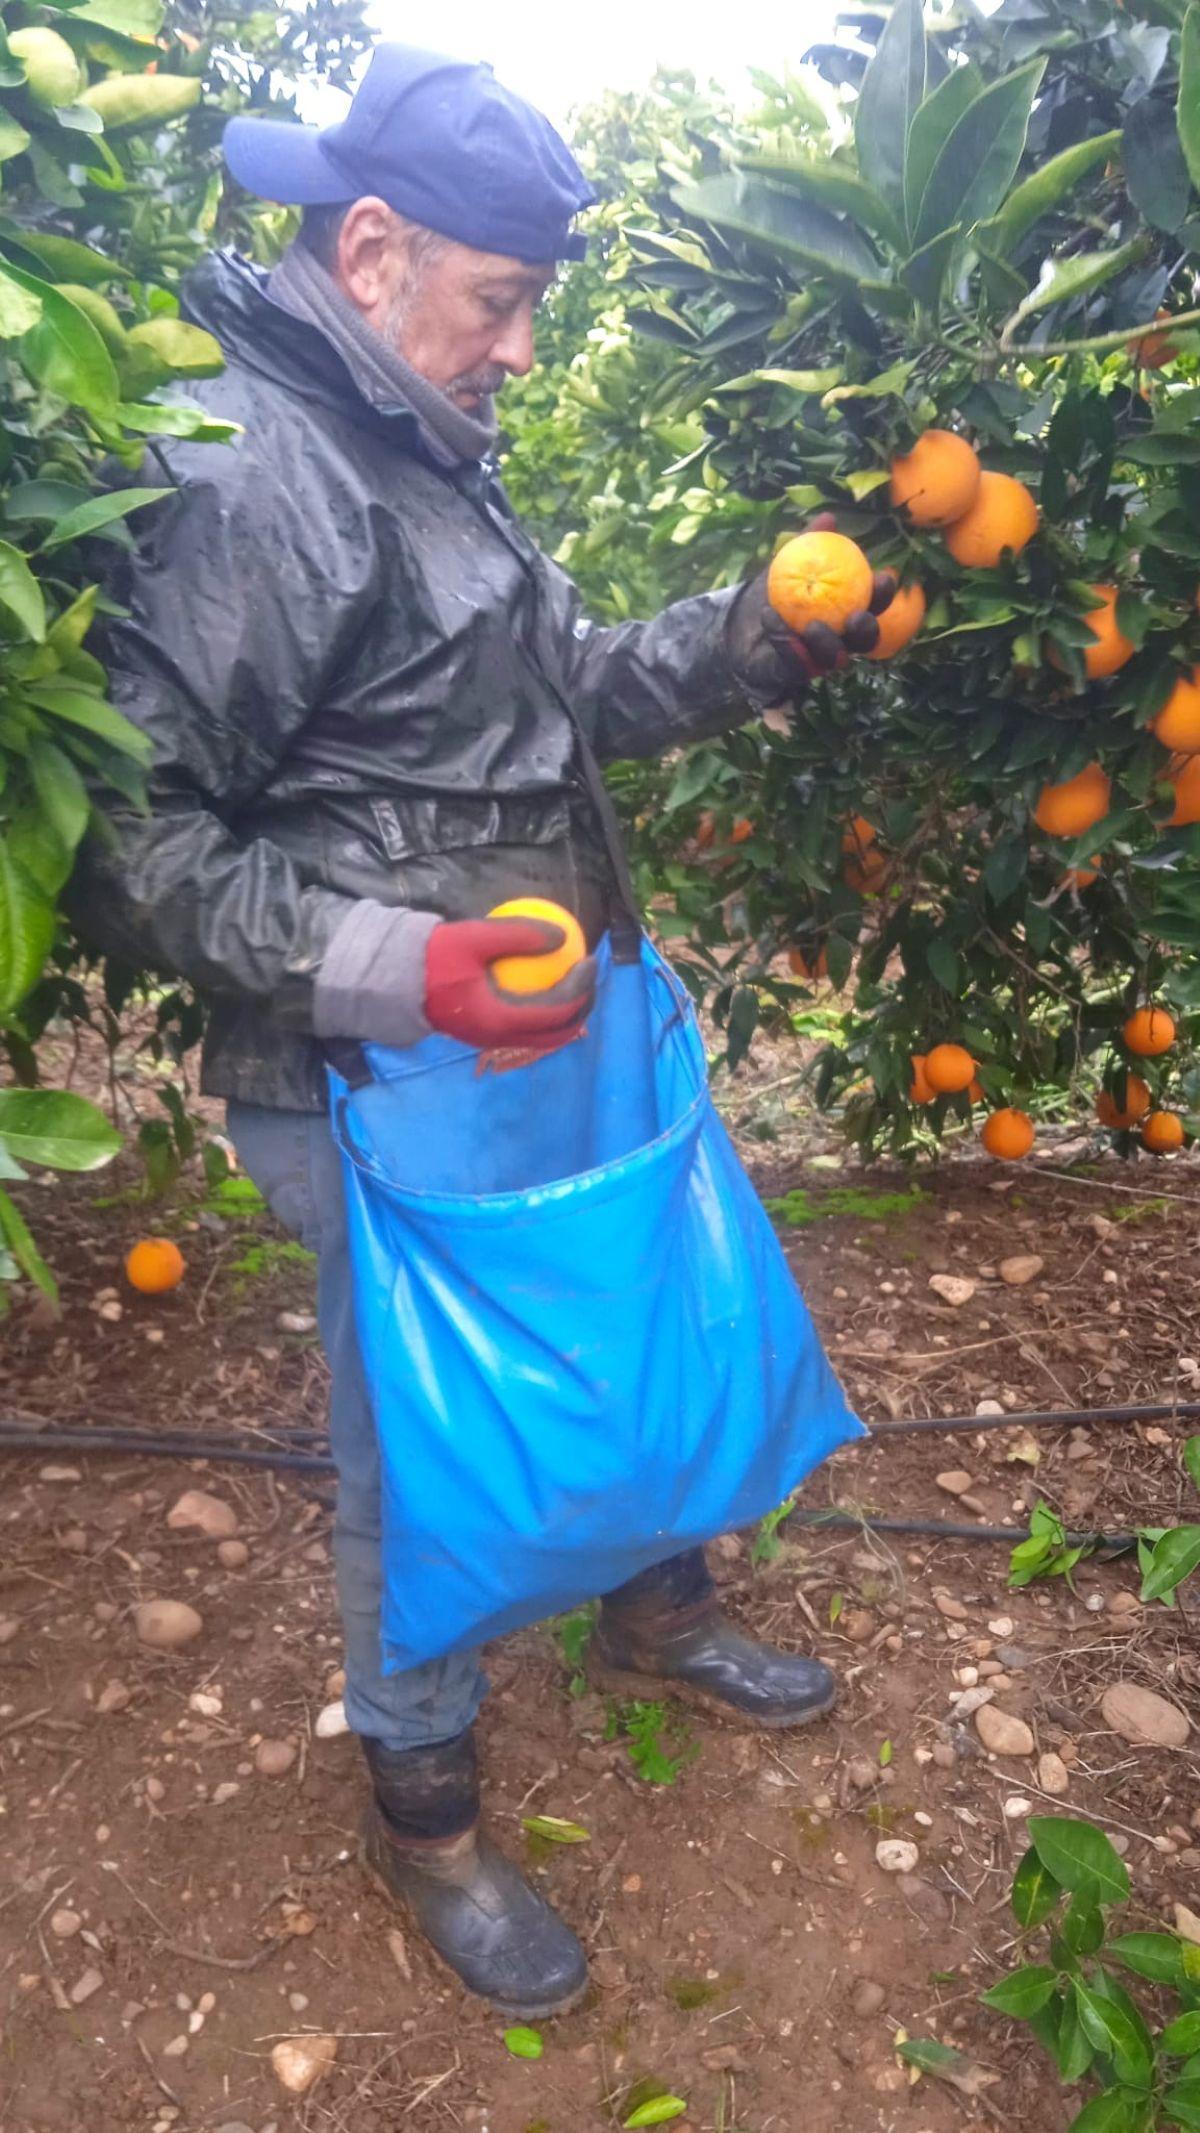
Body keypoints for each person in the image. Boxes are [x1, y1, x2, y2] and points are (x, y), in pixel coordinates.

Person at [78, 42, 892, 2020]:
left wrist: (760, 640)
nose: (520, 348)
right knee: (426, 1443)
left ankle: (653, 1607)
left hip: (537, 1024)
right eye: (502, 302)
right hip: (386, 1063)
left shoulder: (411, 432)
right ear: (370, 247)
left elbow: (550, 702)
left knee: (620, 1318)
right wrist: (398, 967)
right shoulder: (255, 471)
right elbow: (130, 835)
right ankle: (424, 1810)